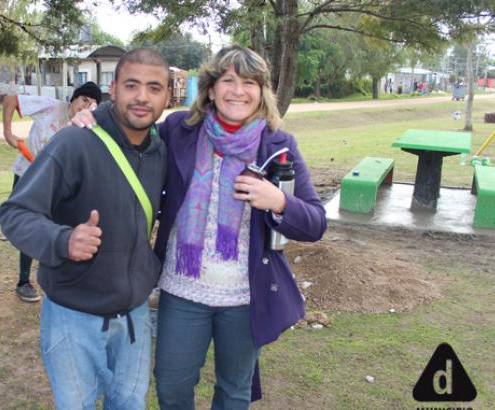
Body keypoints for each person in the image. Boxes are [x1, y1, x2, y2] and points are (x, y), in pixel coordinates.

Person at [70, 45, 326, 409]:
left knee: (234, 391)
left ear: (262, 91)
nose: (239, 90)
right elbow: (130, 131)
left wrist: (279, 201)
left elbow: (316, 222)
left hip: (243, 296)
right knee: (172, 385)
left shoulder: (278, 145)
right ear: (210, 88)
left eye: (250, 82)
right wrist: (94, 118)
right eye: (229, 80)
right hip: (183, 289)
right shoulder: (180, 130)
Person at [0, 48, 170, 409]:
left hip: (135, 314)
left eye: (154, 88)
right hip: (73, 315)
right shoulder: (75, 142)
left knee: (129, 404)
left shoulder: (161, 150)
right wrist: (63, 240)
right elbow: (15, 213)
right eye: (132, 85)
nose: (142, 97)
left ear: (168, 95)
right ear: (114, 89)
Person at [1, 81, 102, 302]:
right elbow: (11, 100)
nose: (87, 107)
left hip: (57, 184)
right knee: (26, 225)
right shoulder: (50, 107)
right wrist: (8, 133)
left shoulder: (87, 125)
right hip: (27, 173)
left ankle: (58, 279)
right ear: (74, 98)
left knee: (55, 229)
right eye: (85, 100)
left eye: (94, 103)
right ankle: (24, 281)